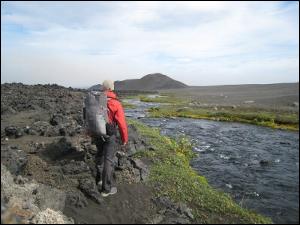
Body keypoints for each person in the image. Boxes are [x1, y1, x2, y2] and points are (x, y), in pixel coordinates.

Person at [92, 80, 128, 197]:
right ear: (111, 88)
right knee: (108, 160)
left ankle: (99, 179)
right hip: (109, 134)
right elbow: (121, 124)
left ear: (103, 88)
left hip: (97, 132)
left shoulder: (95, 99)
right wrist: (124, 139)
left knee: (99, 155)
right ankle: (106, 189)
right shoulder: (115, 103)